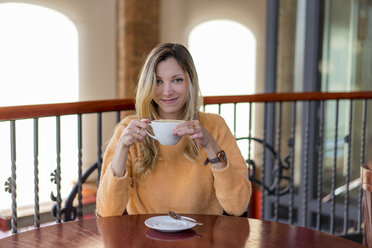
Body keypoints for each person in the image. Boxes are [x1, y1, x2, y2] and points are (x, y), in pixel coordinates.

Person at [96, 43, 251, 217]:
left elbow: (237, 206)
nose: (167, 91)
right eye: (158, 81)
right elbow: (107, 212)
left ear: (190, 82)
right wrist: (122, 148)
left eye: (177, 80)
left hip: (202, 238)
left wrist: (210, 145)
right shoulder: (130, 129)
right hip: (145, 239)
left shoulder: (214, 126)